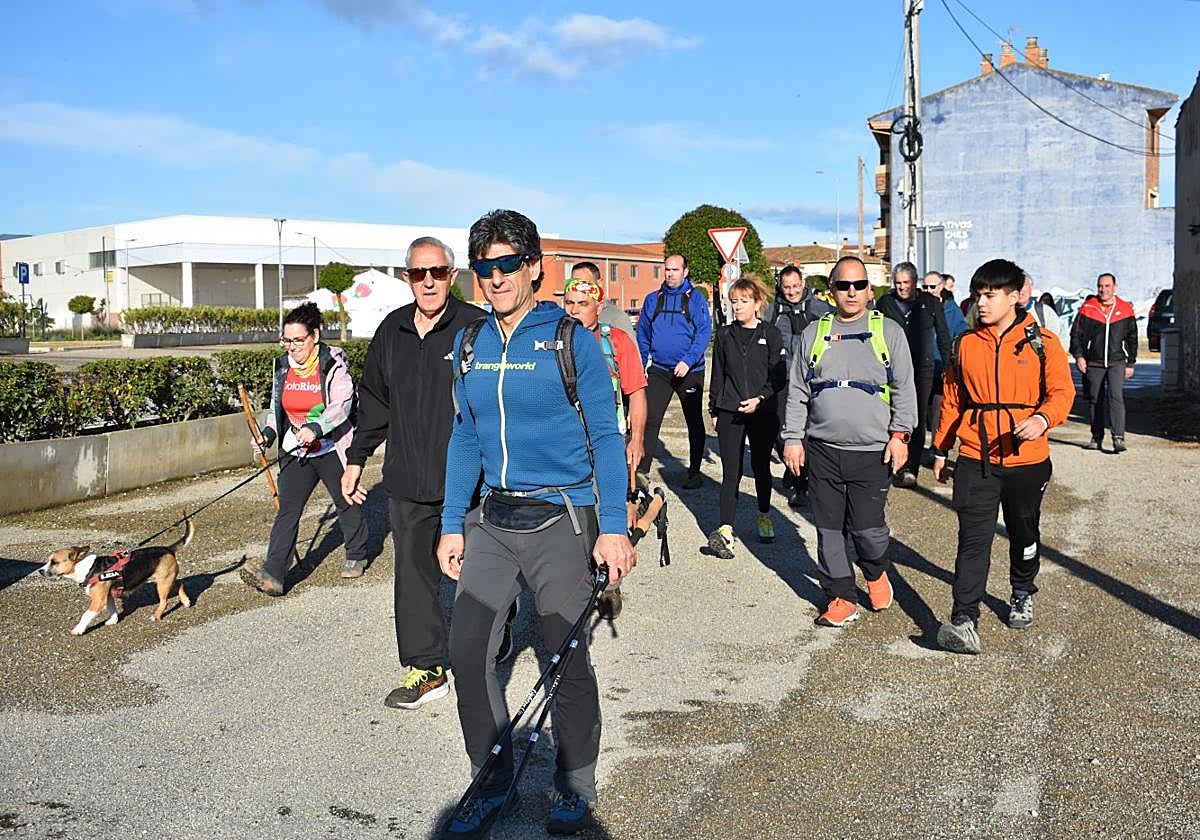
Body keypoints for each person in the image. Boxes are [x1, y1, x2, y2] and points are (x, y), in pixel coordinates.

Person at [436, 209, 635, 838]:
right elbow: (464, 437)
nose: (494, 278)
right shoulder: (470, 344)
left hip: (563, 518)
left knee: (563, 656)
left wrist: (614, 526)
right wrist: (449, 523)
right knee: (467, 651)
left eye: (506, 265)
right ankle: (490, 780)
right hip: (494, 518)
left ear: (533, 269)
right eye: (483, 267)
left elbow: (606, 435)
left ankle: (574, 781)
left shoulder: (568, 340)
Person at [340, 236, 486, 710]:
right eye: (418, 274)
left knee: (478, 571)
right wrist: (357, 459)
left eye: (437, 272)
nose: (428, 282)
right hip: (407, 479)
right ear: (407, 278)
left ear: (452, 276)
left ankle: (496, 628)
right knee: (413, 575)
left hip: (469, 479)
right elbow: (375, 402)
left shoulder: (476, 327)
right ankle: (427, 667)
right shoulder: (392, 331)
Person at [932, 258, 1075, 654]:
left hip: (1027, 459)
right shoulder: (965, 344)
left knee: (1023, 532)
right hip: (976, 457)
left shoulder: (1042, 342)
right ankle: (964, 619)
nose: (981, 303)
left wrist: (1043, 418)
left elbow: (1062, 393)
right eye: (978, 295)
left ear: (1014, 297)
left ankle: (1022, 589)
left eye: (990, 295)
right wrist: (941, 448)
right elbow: (953, 401)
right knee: (973, 538)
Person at [783, 256, 917, 627]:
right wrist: (793, 438)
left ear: (869, 291)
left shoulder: (887, 331)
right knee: (828, 530)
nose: (852, 292)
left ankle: (875, 571)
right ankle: (841, 596)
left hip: (872, 451)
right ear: (831, 291)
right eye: (844, 286)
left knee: (868, 532)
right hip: (823, 450)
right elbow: (797, 391)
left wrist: (900, 436)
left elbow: (905, 388)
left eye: (859, 285)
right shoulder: (814, 334)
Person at [240, 302, 369, 596]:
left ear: (315, 336)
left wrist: (316, 428)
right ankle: (274, 573)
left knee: (345, 499)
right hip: (296, 449)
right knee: (288, 510)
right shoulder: (283, 367)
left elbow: (342, 405)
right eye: (287, 340)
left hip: (331, 446)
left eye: (298, 340)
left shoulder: (332, 364)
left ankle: (357, 553)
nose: (291, 347)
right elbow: (278, 408)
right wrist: (268, 435)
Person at [563, 274, 648, 618]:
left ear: (599, 307)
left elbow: (636, 393)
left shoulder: (617, 343)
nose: (574, 311)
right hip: (564, 447)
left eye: (582, 304)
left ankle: (608, 586)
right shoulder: (553, 341)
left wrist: (637, 438)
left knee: (605, 514)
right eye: (569, 303)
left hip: (605, 445)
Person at [707, 276, 788, 558]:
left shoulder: (771, 333)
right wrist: (714, 409)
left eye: (743, 302)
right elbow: (718, 374)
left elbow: (778, 376)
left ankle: (764, 515)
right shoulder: (725, 335)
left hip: (763, 411)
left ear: (757, 303)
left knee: (761, 467)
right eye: (733, 302)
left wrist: (761, 399)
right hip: (730, 410)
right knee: (731, 472)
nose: (737, 307)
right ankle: (726, 530)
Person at [636, 254, 713, 490]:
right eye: (667, 269)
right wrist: (641, 364)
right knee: (650, 420)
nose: (670, 274)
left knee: (693, 421)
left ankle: (694, 472)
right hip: (659, 370)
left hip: (689, 370)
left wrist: (688, 361)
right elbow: (643, 334)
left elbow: (703, 334)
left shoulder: (696, 299)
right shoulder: (653, 299)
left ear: (685, 271)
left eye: (675, 270)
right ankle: (642, 473)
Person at [876, 262, 952, 486]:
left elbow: (943, 334)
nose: (901, 287)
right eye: (897, 283)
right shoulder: (885, 303)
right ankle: (890, 463)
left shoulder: (929, 303)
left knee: (915, 418)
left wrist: (948, 366)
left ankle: (911, 468)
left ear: (915, 282)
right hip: (891, 368)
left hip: (922, 368)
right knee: (888, 415)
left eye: (906, 283)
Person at [764, 265, 831, 506]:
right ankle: (796, 470)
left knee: (810, 435)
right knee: (781, 434)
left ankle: (804, 484)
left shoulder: (820, 309)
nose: (791, 292)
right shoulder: (772, 311)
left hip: (814, 381)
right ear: (780, 286)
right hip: (782, 380)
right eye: (786, 287)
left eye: (795, 286)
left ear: (803, 284)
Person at [1070, 272, 1138, 453]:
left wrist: (1131, 363)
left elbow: (1132, 337)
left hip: (1117, 361)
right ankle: (1096, 437)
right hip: (1094, 362)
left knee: (1116, 396)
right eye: (1100, 286)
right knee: (1095, 399)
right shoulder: (1088, 308)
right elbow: (1075, 335)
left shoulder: (1125, 309)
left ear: (1114, 287)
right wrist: (1079, 356)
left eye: (1107, 286)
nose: (1103, 289)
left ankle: (1118, 438)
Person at [923, 271, 969, 444]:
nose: (928, 290)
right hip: (922, 369)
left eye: (932, 287)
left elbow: (962, 334)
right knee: (921, 414)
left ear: (941, 287)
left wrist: (953, 360)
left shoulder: (952, 310)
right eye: (925, 287)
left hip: (943, 369)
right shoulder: (919, 307)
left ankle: (937, 448)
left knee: (939, 412)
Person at [568, 261, 637, 341]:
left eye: (584, 284)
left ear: (599, 283)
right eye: (573, 284)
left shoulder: (616, 317)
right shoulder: (569, 314)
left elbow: (630, 351)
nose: (578, 288)